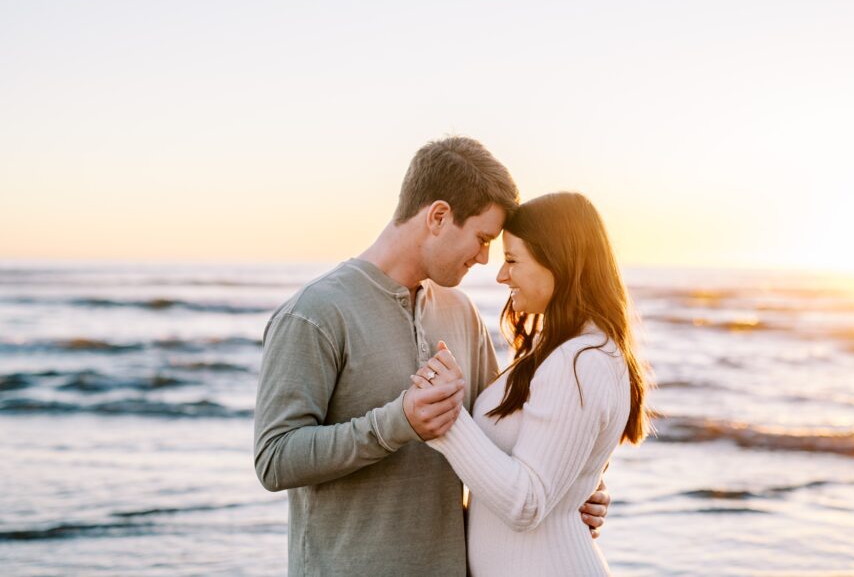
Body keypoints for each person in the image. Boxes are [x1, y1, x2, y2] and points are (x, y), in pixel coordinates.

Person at [253, 137, 608, 576]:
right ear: (439, 216)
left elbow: (503, 434)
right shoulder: (314, 314)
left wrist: (572, 483)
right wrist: (396, 423)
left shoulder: (462, 313)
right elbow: (274, 458)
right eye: (481, 239)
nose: (484, 259)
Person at [410, 192, 649, 577]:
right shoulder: (565, 351)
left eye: (511, 261)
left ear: (558, 263)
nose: (502, 275)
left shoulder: (581, 360)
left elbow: (526, 502)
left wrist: (448, 418)